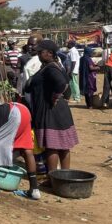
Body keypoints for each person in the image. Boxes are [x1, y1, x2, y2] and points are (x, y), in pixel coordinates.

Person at [27, 40, 78, 174]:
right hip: (60, 110)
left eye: (40, 52)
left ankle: (53, 177)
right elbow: (67, 87)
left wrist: (55, 97)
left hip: (50, 111)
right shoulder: (55, 66)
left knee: (52, 147)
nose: (38, 54)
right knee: (63, 146)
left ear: (49, 53)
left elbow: (62, 84)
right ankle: (64, 176)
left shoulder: (50, 68)